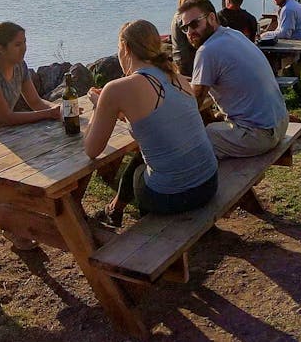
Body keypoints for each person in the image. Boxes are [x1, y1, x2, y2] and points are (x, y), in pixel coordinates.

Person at [84, 20, 218, 227]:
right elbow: (155, 122)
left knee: (140, 169)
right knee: (152, 155)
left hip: (174, 195)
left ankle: (116, 211)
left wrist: (98, 105)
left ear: (126, 49)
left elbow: (91, 149)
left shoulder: (116, 89)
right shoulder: (178, 77)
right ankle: (114, 210)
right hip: (209, 183)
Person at [178, 0, 290, 158]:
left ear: (211, 17)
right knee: (212, 121)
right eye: (185, 28)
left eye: (194, 24)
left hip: (260, 135)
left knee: (189, 141)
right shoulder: (234, 34)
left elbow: (193, 104)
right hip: (280, 122)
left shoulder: (207, 50)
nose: (190, 32)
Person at [0, 21, 62, 137]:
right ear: (1, 49)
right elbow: (6, 117)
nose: (24, 48)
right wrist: (48, 114)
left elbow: (35, 102)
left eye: (24, 42)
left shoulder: (20, 66)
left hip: (2, 133)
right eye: (17, 45)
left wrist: (59, 109)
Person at [169, 0, 199, 76]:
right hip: (185, 58)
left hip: (179, 56)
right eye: (195, 1)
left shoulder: (178, 15)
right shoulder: (183, 18)